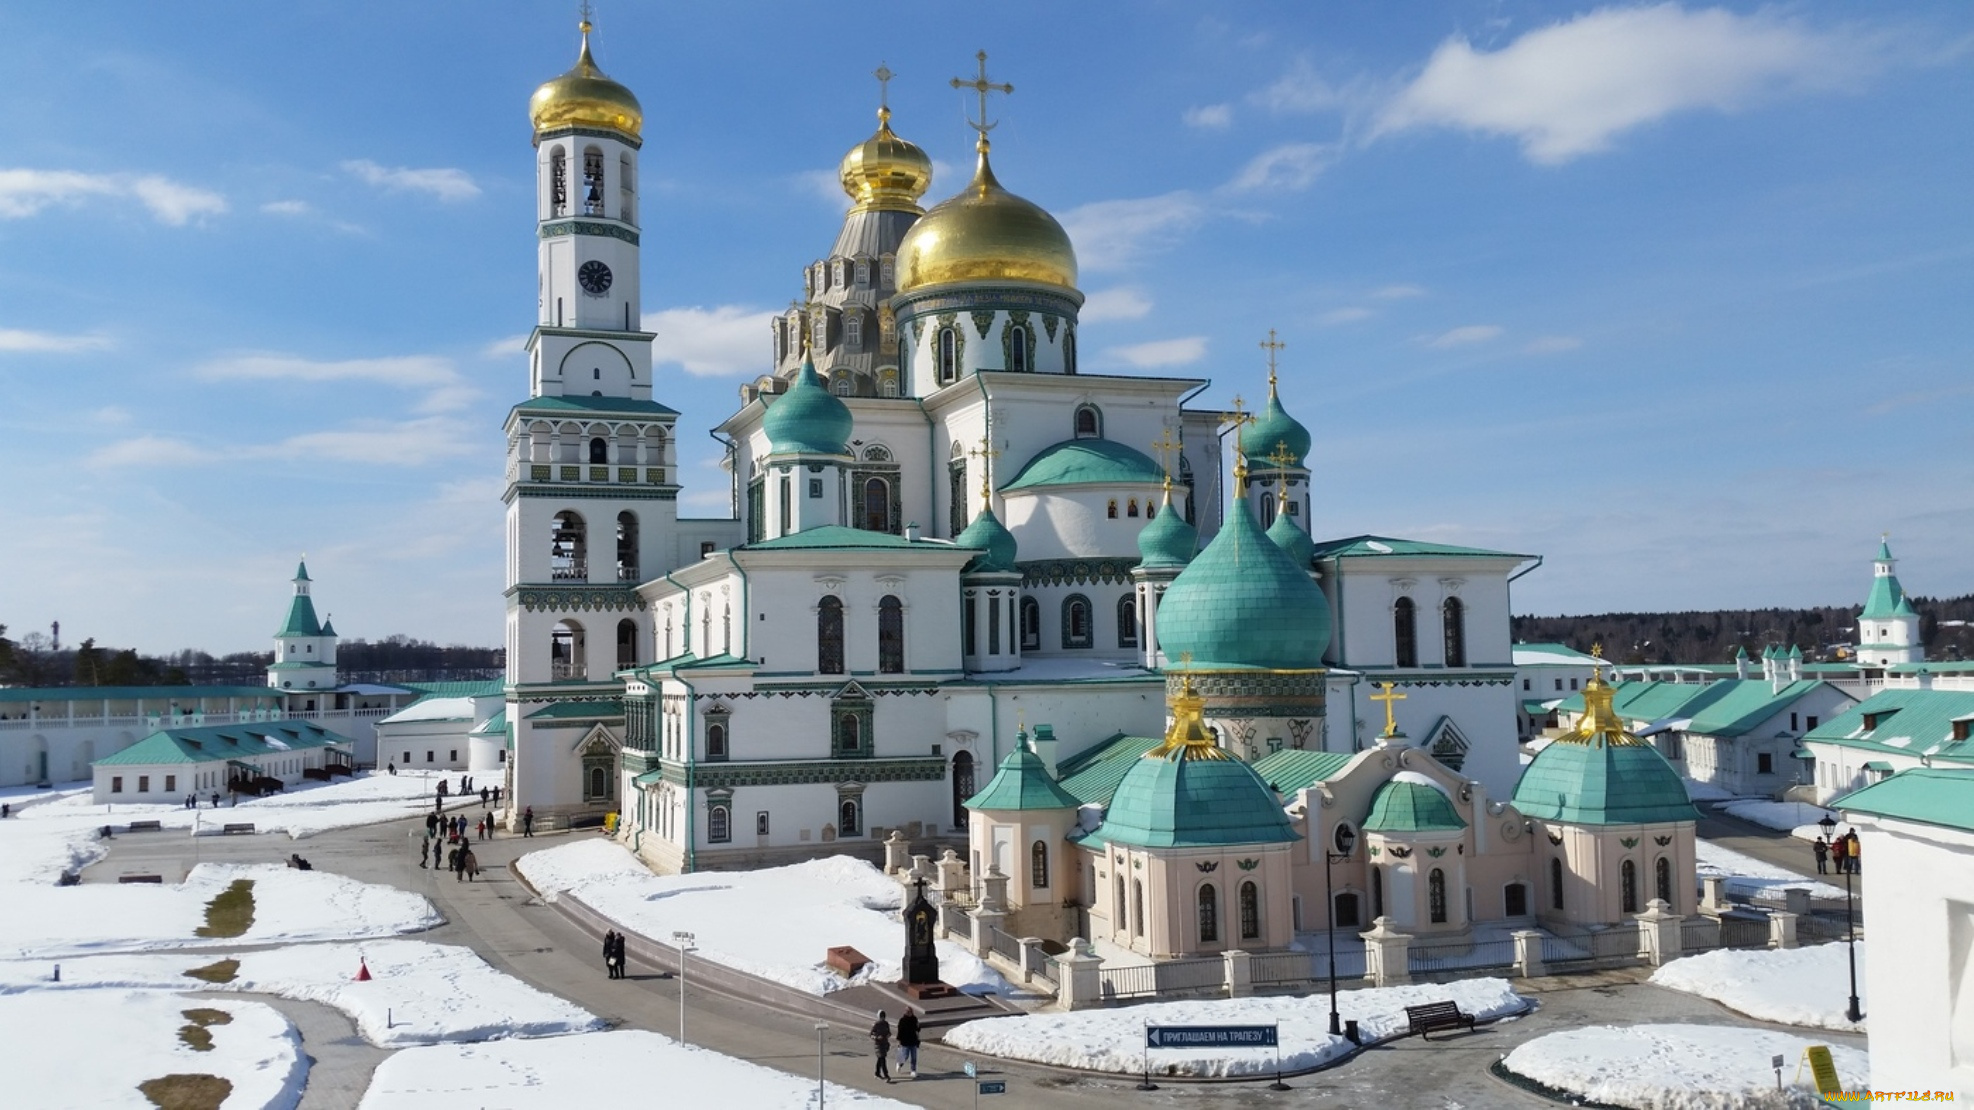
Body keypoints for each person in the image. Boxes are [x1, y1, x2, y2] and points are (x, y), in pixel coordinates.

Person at [895, 1007, 920, 1078]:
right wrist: (899, 1040)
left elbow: (917, 1029)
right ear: (906, 1012)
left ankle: (913, 1070)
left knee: (914, 1057)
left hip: (913, 1040)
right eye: (908, 1012)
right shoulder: (902, 1020)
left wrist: (918, 1028)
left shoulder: (914, 1019)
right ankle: (899, 1064)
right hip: (905, 1041)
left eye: (911, 1012)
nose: (910, 1013)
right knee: (905, 1056)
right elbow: (900, 1031)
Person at [870, 1010, 892, 1082]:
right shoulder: (876, 1024)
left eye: (883, 1016)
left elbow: (889, 1032)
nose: (882, 1018)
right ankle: (886, 1075)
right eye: (881, 1016)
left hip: (884, 1044)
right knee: (882, 1059)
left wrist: (888, 1035)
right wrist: (877, 1037)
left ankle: (877, 1073)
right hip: (878, 1045)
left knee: (880, 1059)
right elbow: (871, 1035)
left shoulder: (886, 1024)